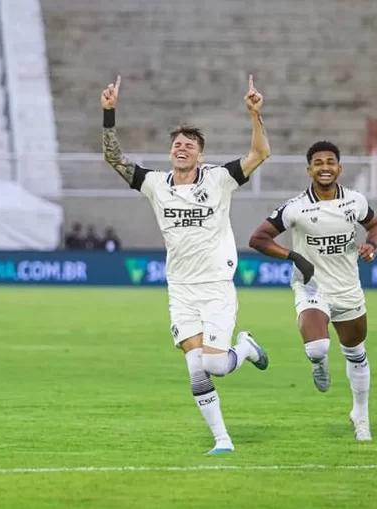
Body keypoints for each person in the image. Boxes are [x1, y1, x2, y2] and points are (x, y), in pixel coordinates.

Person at [100, 74, 271, 454]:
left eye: (189, 145)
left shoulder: (220, 179)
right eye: (177, 144)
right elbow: (114, 158)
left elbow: (259, 154)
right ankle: (222, 440)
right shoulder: (155, 184)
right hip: (180, 288)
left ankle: (244, 348)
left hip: (215, 286)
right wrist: (109, 113)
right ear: (170, 152)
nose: (182, 148)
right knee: (195, 367)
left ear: (200, 155)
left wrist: (255, 116)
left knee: (216, 366)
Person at [248, 140, 377, 441]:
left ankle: (360, 416)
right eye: (318, 163)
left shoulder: (355, 201)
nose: (325, 167)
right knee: (317, 347)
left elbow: (376, 226)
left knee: (356, 353)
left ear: (339, 168)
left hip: (348, 289)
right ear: (309, 169)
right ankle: (318, 363)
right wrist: (293, 256)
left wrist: (371, 245)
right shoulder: (295, 207)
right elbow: (258, 238)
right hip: (312, 287)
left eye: (330, 162)